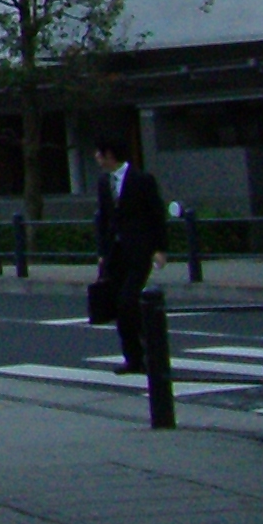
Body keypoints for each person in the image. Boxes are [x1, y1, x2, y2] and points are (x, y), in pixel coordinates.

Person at [93, 135, 169, 371]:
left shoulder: (141, 179)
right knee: (119, 304)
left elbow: (157, 214)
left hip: (138, 250)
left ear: (110, 155)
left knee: (128, 301)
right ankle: (134, 357)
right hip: (115, 253)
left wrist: (159, 248)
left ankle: (148, 349)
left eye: (99, 153)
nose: (96, 157)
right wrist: (102, 251)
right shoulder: (104, 183)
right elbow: (104, 220)